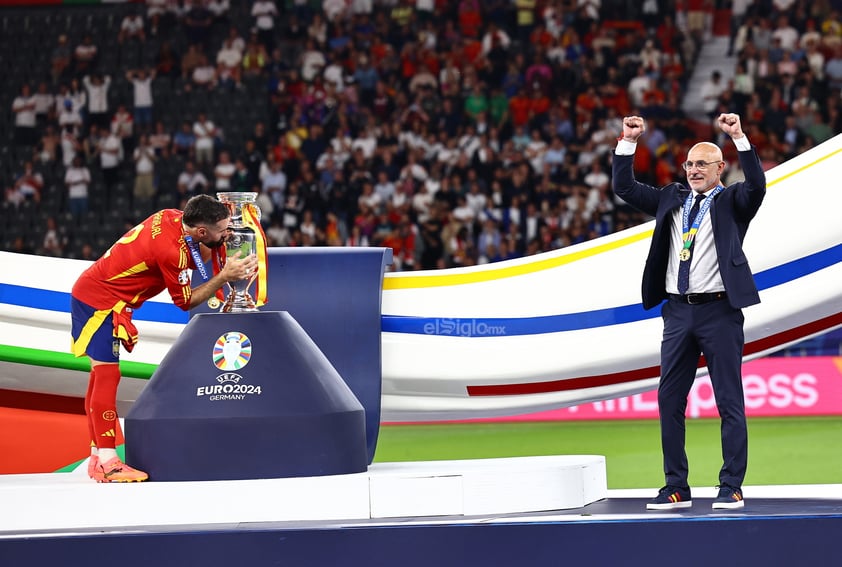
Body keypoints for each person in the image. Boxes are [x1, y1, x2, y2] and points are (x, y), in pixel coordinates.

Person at [612, 113, 766, 511]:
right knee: (669, 400)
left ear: (720, 169)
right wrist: (629, 142)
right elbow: (624, 186)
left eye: (703, 164)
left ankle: (731, 484)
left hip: (720, 311)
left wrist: (738, 137)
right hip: (677, 313)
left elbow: (757, 186)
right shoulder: (671, 197)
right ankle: (676, 485)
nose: (694, 170)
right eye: (690, 164)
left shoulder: (733, 200)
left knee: (729, 401)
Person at [70, 195, 258, 482]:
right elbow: (185, 301)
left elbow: (197, 252)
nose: (227, 234)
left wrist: (219, 243)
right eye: (222, 231)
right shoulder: (172, 253)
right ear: (201, 232)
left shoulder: (171, 216)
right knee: (107, 375)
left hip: (95, 291)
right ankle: (108, 462)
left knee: (99, 375)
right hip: (102, 303)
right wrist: (223, 277)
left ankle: (98, 455)